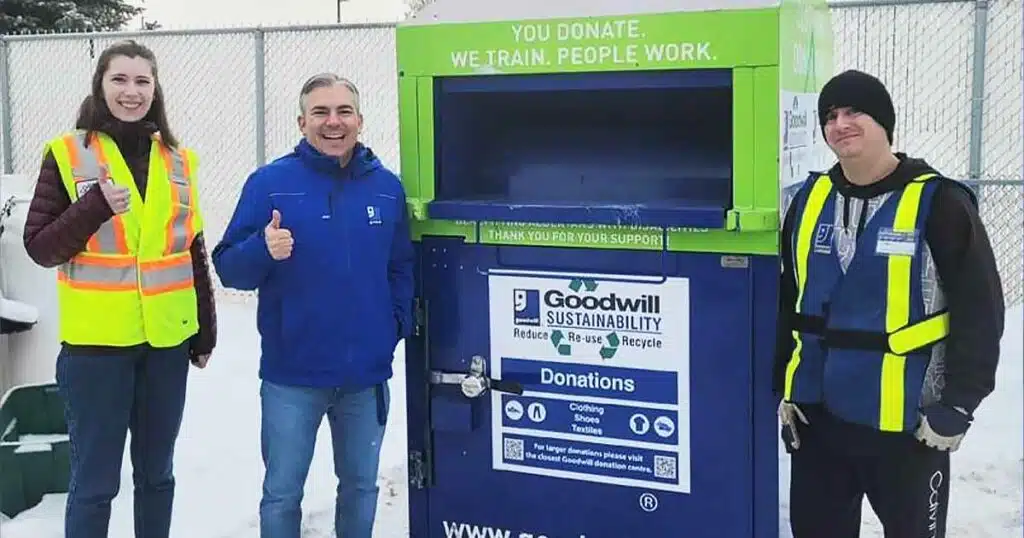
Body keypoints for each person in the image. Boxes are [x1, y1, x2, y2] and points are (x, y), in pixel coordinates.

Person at [773, 69, 1005, 538]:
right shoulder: (807, 201)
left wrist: (958, 406)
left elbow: (981, 312)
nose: (840, 124)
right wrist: (785, 388)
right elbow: (790, 301)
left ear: (884, 123)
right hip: (819, 423)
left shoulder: (939, 203)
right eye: (830, 116)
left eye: (854, 111)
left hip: (909, 429)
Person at [22, 40, 217, 538]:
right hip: (96, 350)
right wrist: (93, 207)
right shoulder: (67, 155)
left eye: (142, 81)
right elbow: (41, 247)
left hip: (165, 346)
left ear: (155, 90)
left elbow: (190, 249)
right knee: (95, 483)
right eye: (120, 80)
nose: (131, 92)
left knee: (157, 476)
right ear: (100, 86)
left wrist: (205, 331)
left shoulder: (179, 160)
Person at [211, 72, 414, 538]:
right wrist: (263, 248)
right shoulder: (270, 184)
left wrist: (392, 325)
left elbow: (402, 265)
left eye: (344, 111)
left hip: (365, 377)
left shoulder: (386, 188)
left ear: (360, 120)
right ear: (302, 121)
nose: (333, 122)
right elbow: (228, 269)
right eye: (320, 112)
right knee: (283, 494)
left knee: (361, 487)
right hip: (292, 377)